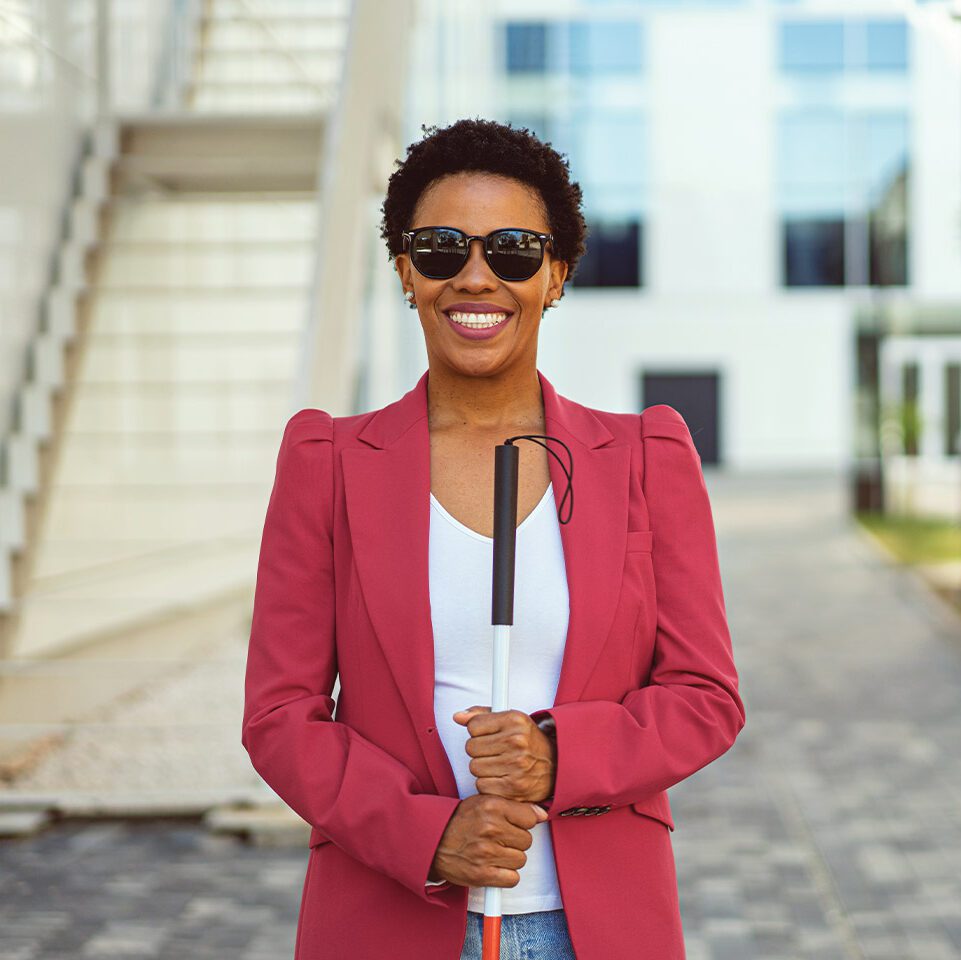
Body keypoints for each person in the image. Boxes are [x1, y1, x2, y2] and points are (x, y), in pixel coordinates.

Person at [242, 118, 746, 960]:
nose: (475, 277)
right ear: (405, 270)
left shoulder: (644, 457)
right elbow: (281, 717)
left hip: (591, 925)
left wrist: (557, 754)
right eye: (441, 248)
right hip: (389, 915)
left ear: (555, 275)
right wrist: (427, 834)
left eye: (512, 250)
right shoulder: (326, 461)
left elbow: (704, 697)